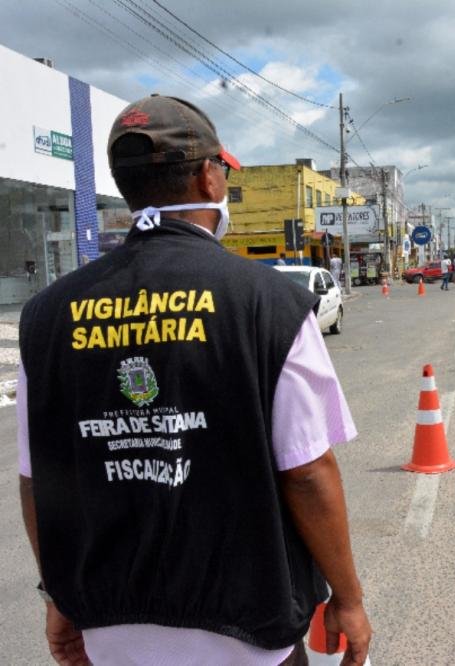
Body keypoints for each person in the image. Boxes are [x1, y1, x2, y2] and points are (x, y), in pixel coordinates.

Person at [17, 95, 371, 665]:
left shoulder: (47, 315)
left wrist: (58, 593)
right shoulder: (270, 303)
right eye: (224, 172)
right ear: (209, 178)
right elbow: (306, 472)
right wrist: (348, 599)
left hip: (113, 628)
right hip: (249, 627)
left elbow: (40, 481)